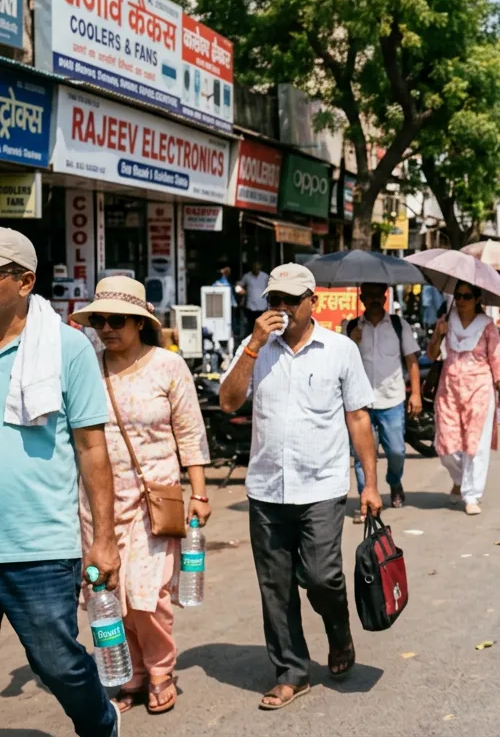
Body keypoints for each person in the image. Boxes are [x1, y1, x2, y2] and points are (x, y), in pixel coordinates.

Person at [218, 263, 381, 711]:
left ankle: (339, 632)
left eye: (292, 300)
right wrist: (252, 346)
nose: (283, 308)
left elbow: (359, 418)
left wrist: (370, 484)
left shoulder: (340, 349)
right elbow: (228, 401)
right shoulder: (256, 349)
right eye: (275, 300)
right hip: (267, 488)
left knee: (322, 576)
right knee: (275, 587)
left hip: (322, 485)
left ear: (314, 302)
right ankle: (292, 671)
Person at [0, 228, 121, 736]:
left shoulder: (67, 348)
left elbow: (92, 447)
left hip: (39, 545)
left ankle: (99, 724)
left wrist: (103, 539)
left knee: (59, 664)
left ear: (25, 281)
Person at [72, 276, 212, 717]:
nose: (106, 328)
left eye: (116, 320)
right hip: (97, 503)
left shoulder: (168, 367)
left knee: (147, 594)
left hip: (155, 498)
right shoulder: (86, 367)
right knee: (109, 593)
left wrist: (200, 493)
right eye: (99, 320)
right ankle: (128, 673)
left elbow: (190, 432)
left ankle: (160, 670)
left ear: (138, 322)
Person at [428, 283, 500, 516]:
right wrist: (439, 335)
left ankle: (472, 494)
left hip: (480, 391)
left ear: (476, 299)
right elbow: (432, 354)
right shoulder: (446, 321)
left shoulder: (487, 326)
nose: (461, 300)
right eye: (458, 296)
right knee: (444, 446)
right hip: (449, 391)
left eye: (466, 296)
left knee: (475, 445)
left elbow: (497, 360)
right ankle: (459, 478)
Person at [345, 283, 421, 519]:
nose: (375, 300)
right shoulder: (351, 327)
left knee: (397, 451)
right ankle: (366, 498)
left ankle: (394, 482)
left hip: (392, 400)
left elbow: (412, 360)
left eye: (379, 295)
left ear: (385, 297)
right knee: (361, 455)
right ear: (362, 298)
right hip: (361, 403)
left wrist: (416, 393)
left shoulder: (399, 326)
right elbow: (342, 364)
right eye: (370, 296)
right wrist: (351, 341)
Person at [237, 262, 269, 336]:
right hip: (250, 306)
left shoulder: (265, 276)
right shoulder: (247, 276)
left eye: (257, 268)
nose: (256, 269)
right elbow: (238, 287)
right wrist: (240, 291)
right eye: (254, 267)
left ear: (260, 267)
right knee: (251, 326)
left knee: (262, 325)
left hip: (262, 306)